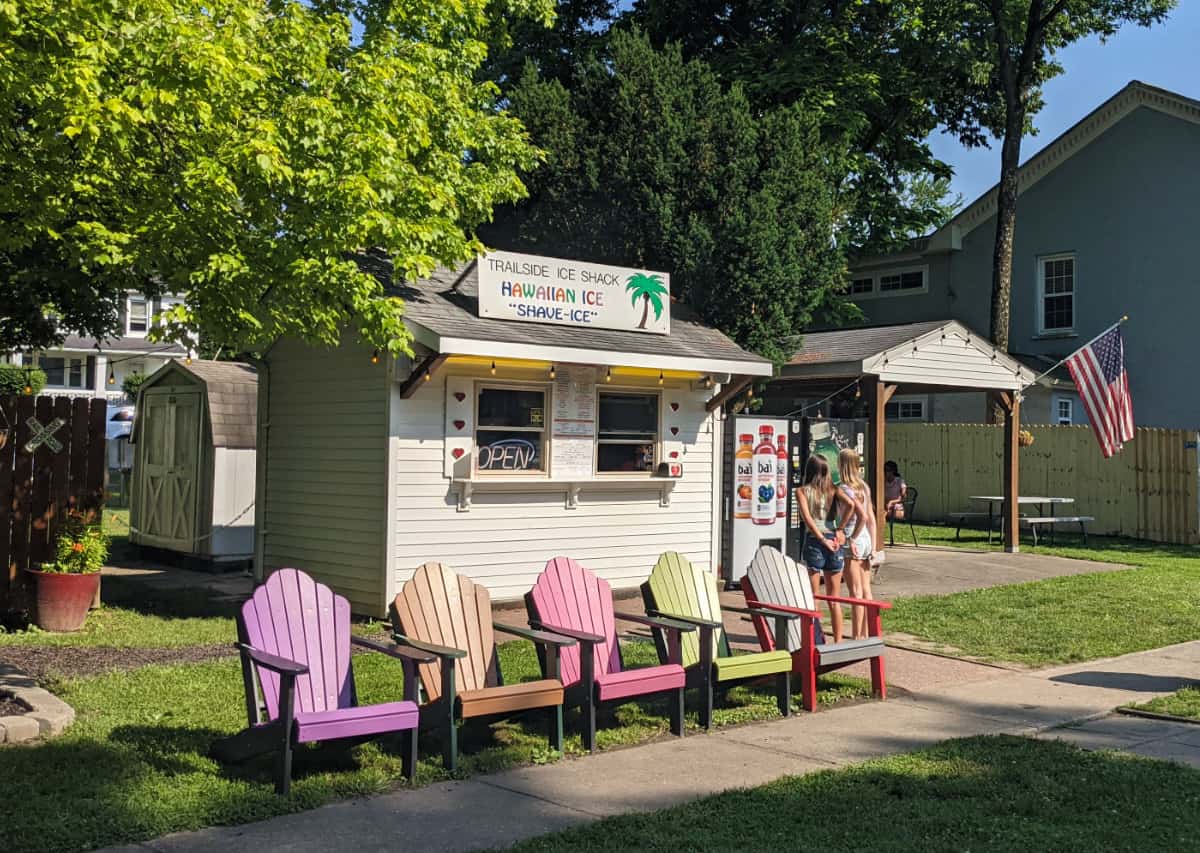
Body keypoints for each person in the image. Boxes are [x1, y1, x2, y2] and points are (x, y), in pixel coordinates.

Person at [796, 454, 864, 644]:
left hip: (815, 540)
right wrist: (840, 529)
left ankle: (814, 641)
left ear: (808, 471)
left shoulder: (802, 491)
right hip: (834, 539)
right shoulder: (833, 489)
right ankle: (839, 641)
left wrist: (820, 537)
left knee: (813, 597)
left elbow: (808, 518)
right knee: (834, 598)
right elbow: (851, 505)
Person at [838, 449, 877, 640]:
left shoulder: (845, 488)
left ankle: (856, 637)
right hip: (866, 539)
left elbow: (862, 515)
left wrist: (851, 537)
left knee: (855, 592)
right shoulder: (864, 487)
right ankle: (867, 632)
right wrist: (874, 546)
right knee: (866, 590)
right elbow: (871, 519)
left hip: (852, 538)